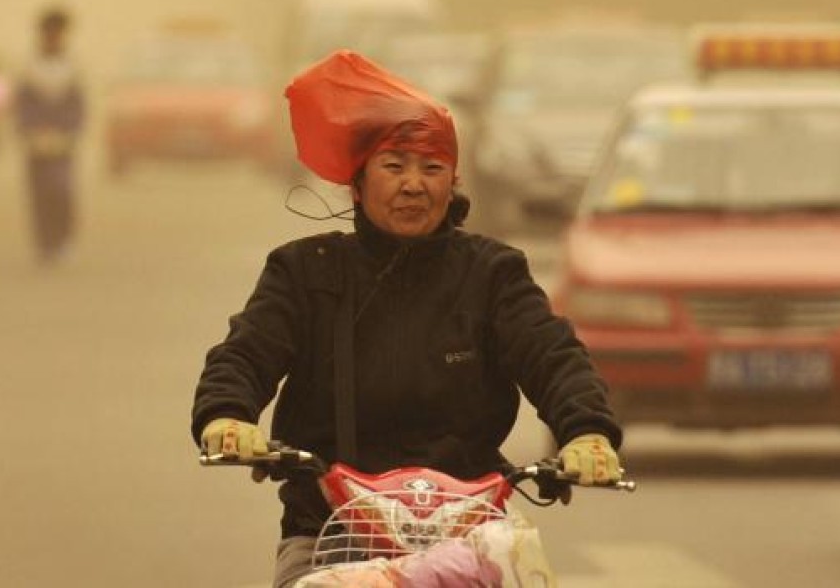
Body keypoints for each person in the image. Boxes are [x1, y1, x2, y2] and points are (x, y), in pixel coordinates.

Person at [190, 50, 623, 587]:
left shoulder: (493, 273)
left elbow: (552, 354)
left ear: (453, 183)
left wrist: (587, 432)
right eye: (394, 166)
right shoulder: (303, 271)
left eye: (432, 168)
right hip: (328, 528)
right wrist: (226, 417)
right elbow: (244, 355)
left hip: (469, 532)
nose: (413, 184)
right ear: (358, 183)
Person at [13, 6, 85, 265]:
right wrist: (31, 129)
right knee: (39, 194)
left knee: (62, 192)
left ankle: (64, 240)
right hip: (36, 142)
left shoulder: (72, 67)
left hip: (63, 142)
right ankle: (44, 243)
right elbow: (22, 106)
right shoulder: (29, 67)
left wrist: (69, 130)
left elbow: (78, 106)